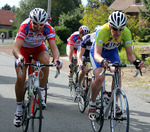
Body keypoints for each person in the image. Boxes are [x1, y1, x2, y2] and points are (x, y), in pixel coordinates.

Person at [88, 11, 143, 121]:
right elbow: (97, 54)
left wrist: (136, 62)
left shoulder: (126, 32)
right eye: (114, 28)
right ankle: (92, 104)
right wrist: (103, 61)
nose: (118, 32)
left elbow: (130, 54)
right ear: (109, 26)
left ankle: (115, 102)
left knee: (117, 72)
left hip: (112, 52)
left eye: (120, 29)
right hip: (99, 53)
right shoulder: (102, 31)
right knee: (100, 77)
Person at [12, 8, 62, 127]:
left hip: (38, 49)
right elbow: (15, 48)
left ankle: (40, 91)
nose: (38, 27)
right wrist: (19, 57)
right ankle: (19, 109)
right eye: (35, 23)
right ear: (30, 21)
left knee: (46, 59)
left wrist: (57, 60)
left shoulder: (48, 28)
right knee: (21, 77)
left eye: (41, 24)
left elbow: (54, 48)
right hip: (23, 50)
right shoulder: (25, 26)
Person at [76, 25, 102, 93]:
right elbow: (80, 55)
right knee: (84, 69)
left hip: (92, 53)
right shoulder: (88, 39)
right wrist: (81, 63)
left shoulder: (103, 40)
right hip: (83, 52)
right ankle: (79, 84)